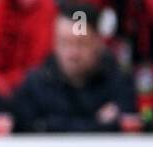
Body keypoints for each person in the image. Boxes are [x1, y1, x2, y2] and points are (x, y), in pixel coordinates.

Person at [12, 3, 136, 132]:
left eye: (81, 44)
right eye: (64, 43)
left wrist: (48, 124)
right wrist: (98, 123)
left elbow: (130, 126)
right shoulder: (35, 85)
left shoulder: (118, 83)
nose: (72, 53)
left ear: (98, 42)